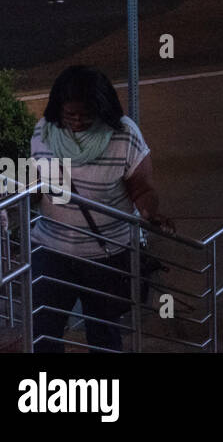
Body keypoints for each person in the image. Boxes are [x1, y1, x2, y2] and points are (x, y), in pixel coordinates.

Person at [30, 66, 173, 353]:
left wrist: (149, 212)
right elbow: (38, 182)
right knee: (44, 331)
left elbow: (142, 188)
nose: (78, 121)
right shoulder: (44, 131)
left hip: (106, 254)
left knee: (104, 332)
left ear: (102, 108)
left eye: (86, 114)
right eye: (70, 115)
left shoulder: (124, 135)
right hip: (51, 250)